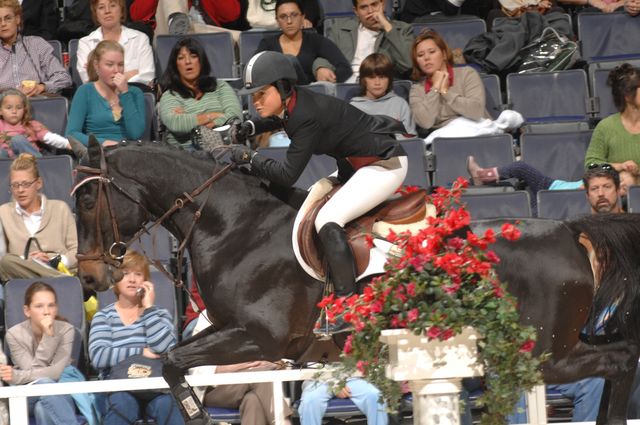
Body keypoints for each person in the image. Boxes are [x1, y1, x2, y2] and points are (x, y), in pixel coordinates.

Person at [228, 51, 408, 334]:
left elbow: (287, 175)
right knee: (310, 200)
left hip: (383, 165)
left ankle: (348, 305)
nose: (255, 101)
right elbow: (281, 119)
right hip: (355, 165)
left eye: (261, 93)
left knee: (327, 219)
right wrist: (252, 126)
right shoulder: (296, 103)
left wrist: (249, 158)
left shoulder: (305, 115)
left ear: (283, 87)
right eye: (253, 96)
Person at [88, 250, 184, 425]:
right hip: (117, 387)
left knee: (169, 404)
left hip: (155, 386)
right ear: (115, 280)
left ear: (146, 281)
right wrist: (141, 351)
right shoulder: (103, 317)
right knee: (123, 405)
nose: (132, 279)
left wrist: (149, 309)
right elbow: (98, 357)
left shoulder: (159, 314)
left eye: (138, 274)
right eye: (125, 274)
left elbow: (166, 349)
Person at [187, 311, 294, 425]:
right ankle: (282, 421)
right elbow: (194, 365)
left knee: (253, 401)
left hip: (258, 384)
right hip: (216, 388)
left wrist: (274, 363)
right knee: (260, 377)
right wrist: (227, 368)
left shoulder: (263, 311)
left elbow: (286, 356)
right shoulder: (208, 316)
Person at [0, 281, 79, 425]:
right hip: (26, 395)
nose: (46, 311)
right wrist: (48, 337)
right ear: (27, 310)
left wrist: (16, 376)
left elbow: (55, 373)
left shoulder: (66, 330)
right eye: (39, 306)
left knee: (42, 408)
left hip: (59, 392)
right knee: (45, 384)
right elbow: (35, 376)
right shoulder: (14, 334)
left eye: (51, 305)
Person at [0, 153, 77, 281]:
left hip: (58, 267)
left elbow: (76, 250)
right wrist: (29, 262)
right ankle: (64, 282)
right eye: (15, 185)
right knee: (5, 261)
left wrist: (54, 261)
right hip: (21, 278)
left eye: (25, 184)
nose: (20, 190)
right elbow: (3, 258)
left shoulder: (60, 208)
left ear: (38, 183)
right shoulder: (3, 213)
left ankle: (58, 279)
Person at [158, 37, 242, 148]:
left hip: (223, 148)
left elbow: (235, 117)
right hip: (184, 155)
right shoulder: (170, 95)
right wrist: (213, 115)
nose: (188, 62)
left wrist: (191, 121)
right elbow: (176, 123)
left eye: (193, 56)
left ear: (201, 60)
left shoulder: (220, 86)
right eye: (181, 58)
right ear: (175, 65)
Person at [467, 158, 625, 213]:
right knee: (520, 167)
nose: (601, 191)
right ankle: (482, 176)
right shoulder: (597, 180)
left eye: (607, 187)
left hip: (552, 201)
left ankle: (481, 179)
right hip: (551, 185)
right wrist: (622, 165)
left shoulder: (592, 192)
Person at [66, 39, 146, 147]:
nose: (116, 70)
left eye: (120, 64)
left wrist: (125, 93)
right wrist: (103, 143)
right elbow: (72, 134)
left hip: (129, 153)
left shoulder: (135, 93)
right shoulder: (85, 91)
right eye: (109, 65)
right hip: (99, 153)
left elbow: (135, 134)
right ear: (96, 65)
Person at [409, 30, 490, 132]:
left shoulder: (467, 74)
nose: (426, 58)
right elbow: (425, 123)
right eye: (420, 55)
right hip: (446, 140)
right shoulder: (416, 90)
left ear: (444, 54)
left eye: (432, 52)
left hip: (480, 133)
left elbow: (476, 111)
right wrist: (435, 88)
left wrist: (445, 92)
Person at [313, 0, 414, 82]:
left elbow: (408, 64)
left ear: (383, 4)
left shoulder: (402, 30)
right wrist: (321, 67)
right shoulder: (339, 30)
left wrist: (387, 27)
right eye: (364, 7)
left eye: (374, 4)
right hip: (345, 83)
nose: (370, 11)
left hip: (379, 85)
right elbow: (324, 56)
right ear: (356, 11)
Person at [255, 0, 351, 85]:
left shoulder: (316, 41)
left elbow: (345, 68)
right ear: (277, 20)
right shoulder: (267, 43)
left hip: (310, 96)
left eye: (294, 15)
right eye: (283, 16)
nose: (289, 21)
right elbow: (253, 71)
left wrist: (328, 81)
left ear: (302, 17)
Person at [584, 63, 640, 192]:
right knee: (625, 179)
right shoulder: (606, 127)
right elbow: (591, 166)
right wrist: (620, 166)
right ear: (627, 95)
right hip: (620, 196)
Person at [0, 0, 72, 96]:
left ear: (17, 19)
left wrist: (41, 87)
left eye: (8, 18)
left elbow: (64, 78)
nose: (3, 24)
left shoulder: (36, 44)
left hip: (38, 104)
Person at [76, 0, 155, 87]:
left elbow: (148, 76)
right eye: (101, 7)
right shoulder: (86, 43)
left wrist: (104, 78)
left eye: (112, 6)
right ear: (96, 14)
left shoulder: (140, 39)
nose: (107, 11)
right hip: (98, 98)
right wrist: (130, 74)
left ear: (121, 10)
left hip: (134, 95)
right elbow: (89, 79)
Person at [349, 52, 416, 137]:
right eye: (372, 77)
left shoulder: (400, 104)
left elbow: (409, 140)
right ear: (363, 80)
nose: (377, 83)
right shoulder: (354, 107)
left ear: (389, 79)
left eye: (382, 77)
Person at [0, 89, 72, 158]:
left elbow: (49, 137)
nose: (14, 111)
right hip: (9, 165)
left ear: (24, 110)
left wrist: (67, 143)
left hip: (31, 162)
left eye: (19, 108)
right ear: (0, 111)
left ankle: (40, 164)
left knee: (17, 139)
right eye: (9, 108)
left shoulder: (30, 125)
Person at [298, 377, 388, 425]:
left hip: (352, 377)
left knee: (376, 397)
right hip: (317, 378)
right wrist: (334, 384)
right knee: (310, 400)